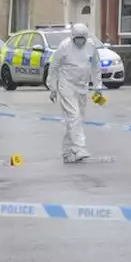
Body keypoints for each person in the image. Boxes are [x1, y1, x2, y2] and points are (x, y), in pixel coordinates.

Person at [46, 23, 103, 163]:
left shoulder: (91, 47)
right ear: (72, 37)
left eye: (82, 38)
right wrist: (53, 88)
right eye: (77, 38)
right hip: (67, 85)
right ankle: (80, 148)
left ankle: (67, 151)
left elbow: (96, 66)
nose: (80, 41)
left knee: (76, 121)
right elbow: (54, 66)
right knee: (74, 116)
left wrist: (98, 87)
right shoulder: (64, 46)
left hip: (82, 86)